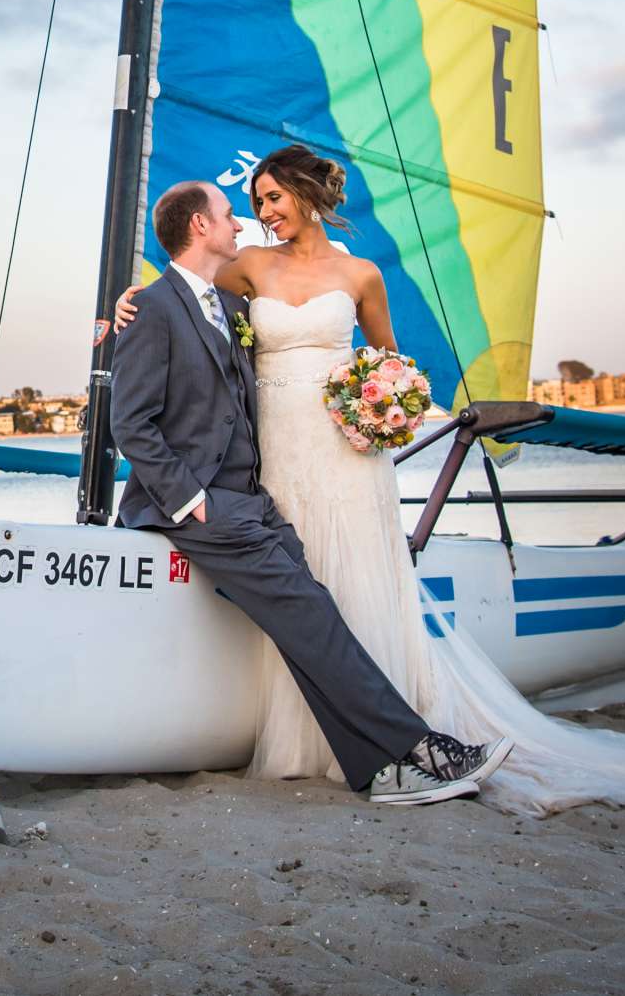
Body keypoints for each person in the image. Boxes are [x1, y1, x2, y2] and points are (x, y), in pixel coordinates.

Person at [118, 146, 625, 815]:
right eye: (248, 205)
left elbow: (388, 362)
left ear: (302, 193)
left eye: (271, 198)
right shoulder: (242, 270)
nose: (257, 215)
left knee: (326, 598)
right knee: (308, 605)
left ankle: (391, 752)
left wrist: (385, 400)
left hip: (336, 454)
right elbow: (179, 310)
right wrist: (130, 305)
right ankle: (405, 751)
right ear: (208, 227)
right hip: (260, 472)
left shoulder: (359, 275)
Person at [111, 176, 513, 806]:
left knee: (308, 617)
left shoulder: (230, 304)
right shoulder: (156, 307)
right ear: (199, 227)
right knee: (310, 612)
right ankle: (422, 747)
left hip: (251, 497)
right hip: (200, 506)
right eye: (228, 214)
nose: (242, 223)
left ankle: (376, 771)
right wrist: (192, 500)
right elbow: (129, 423)